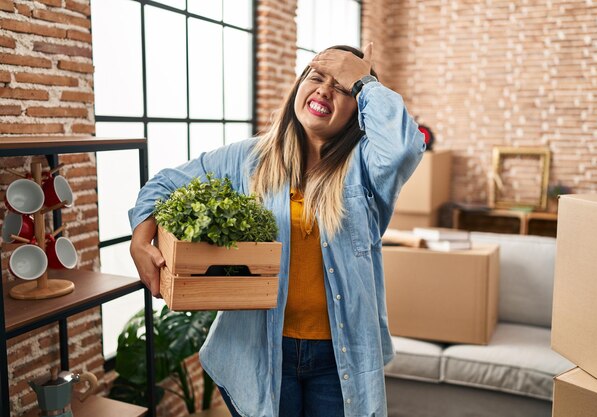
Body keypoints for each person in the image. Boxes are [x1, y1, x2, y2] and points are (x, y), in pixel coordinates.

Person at [128, 43, 426, 417]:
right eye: (316, 78)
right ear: (298, 88)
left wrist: (364, 81)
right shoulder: (246, 159)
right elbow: (164, 184)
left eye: (342, 87)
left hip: (341, 357)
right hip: (260, 351)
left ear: (357, 109)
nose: (324, 91)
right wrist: (139, 241)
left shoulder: (367, 169)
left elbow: (405, 147)